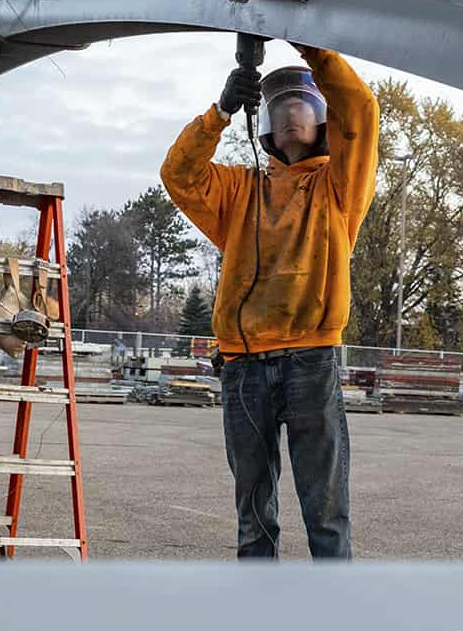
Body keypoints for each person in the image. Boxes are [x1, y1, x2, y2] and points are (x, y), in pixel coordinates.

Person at [160, 43, 378, 559]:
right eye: (279, 110)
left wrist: (309, 42)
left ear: (321, 118)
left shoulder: (338, 187)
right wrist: (217, 115)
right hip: (245, 365)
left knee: (325, 513)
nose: (289, 118)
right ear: (265, 124)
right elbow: (179, 174)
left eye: (300, 107)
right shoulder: (241, 191)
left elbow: (361, 112)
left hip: (311, 359)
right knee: (253, 516)